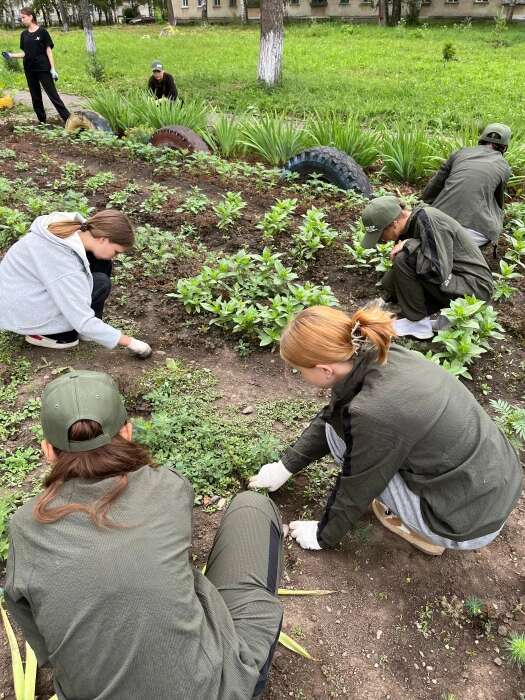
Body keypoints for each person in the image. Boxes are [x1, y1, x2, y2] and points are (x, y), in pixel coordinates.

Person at [4, 370, 283, 700]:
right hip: (209, 691)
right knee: (253, 508)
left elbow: (44, 645)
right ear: (127, 430)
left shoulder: (24, 526)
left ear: (47, 450)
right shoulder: (167, 487)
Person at [248, 305, 522, 556]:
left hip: (465, 522)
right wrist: (285, 466)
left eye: (299, 370)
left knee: (345, 444)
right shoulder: (379, 353)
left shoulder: (373, 412)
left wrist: (322, 536)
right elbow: (334, 416)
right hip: (494, 485)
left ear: (325, 369)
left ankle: (426, 534)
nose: (300, 376)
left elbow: (359, 483)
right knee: (340, 430)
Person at [0, 209, 151, 357]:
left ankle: (87, 329)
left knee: (103, 263)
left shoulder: (77, 230)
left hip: (26, 292)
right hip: (22, 311)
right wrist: (131, 342)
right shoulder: (64, 263)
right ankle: (43, 334)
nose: (116, 256)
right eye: (116, 251)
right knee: (67, 338)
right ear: (103, 239)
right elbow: (82, 320)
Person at [360, 196, 494, 339]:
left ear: (394, 223)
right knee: (405, 260)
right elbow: (402, 274)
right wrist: (382, 301)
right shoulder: (410, 225)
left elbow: (436, 272)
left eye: (380, 235)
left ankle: (417, 324)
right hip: (459, 281)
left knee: (405, 257)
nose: (381, 241)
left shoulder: (428, 219)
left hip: (474, 289)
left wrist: (409, 244)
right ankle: (429, 322)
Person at [422, 123, 511, 248]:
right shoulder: (504, 166)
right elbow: (498, 202)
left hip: (437, 224)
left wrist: (425, 203)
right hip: (475, 235)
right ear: (505, 147)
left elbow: (434, 187)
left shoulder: (460, 153)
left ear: (481, 139)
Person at [1, 7, 70, 125]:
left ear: (31, 17)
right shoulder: (24, 35)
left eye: (23, 17)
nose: (22, 20)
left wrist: (53, 68)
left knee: (53, 95)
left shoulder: (42, 32)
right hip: (29, 70)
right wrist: (11, 55)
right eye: (21, 18)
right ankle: (42, 121)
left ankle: (69, 120)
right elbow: (25, 53)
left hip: (43, 69)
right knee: (35, 97)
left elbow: (48, 51)